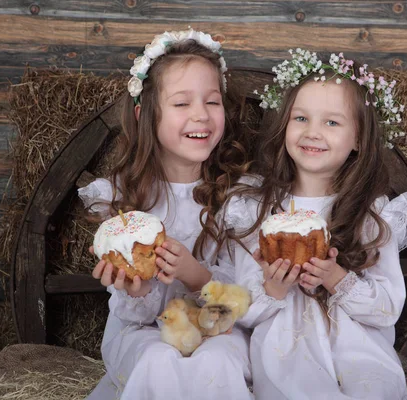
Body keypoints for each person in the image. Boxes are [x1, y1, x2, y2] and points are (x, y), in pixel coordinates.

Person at [221, 49, 407, 399]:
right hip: (286, 351)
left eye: (332, 122)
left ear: (358, 139)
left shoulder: (371, 215)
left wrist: (336, 279)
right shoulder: (255, 209)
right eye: (301, 118)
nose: (313, 132)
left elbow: (388, 309)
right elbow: (241, 311)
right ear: (284, 123)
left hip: (358, 350)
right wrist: (273, 290)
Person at [78, 29, 253, 400]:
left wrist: (196, 277)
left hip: (221, 331)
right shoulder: (124, 203)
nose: (201, 116)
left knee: (217, 362)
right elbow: (134, 316)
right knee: (157, 360)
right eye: (181, 104)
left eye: (212, 102)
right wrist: (137, 291)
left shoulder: (239, 200)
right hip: (143, 333)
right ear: (146, 114)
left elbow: (249, 298)